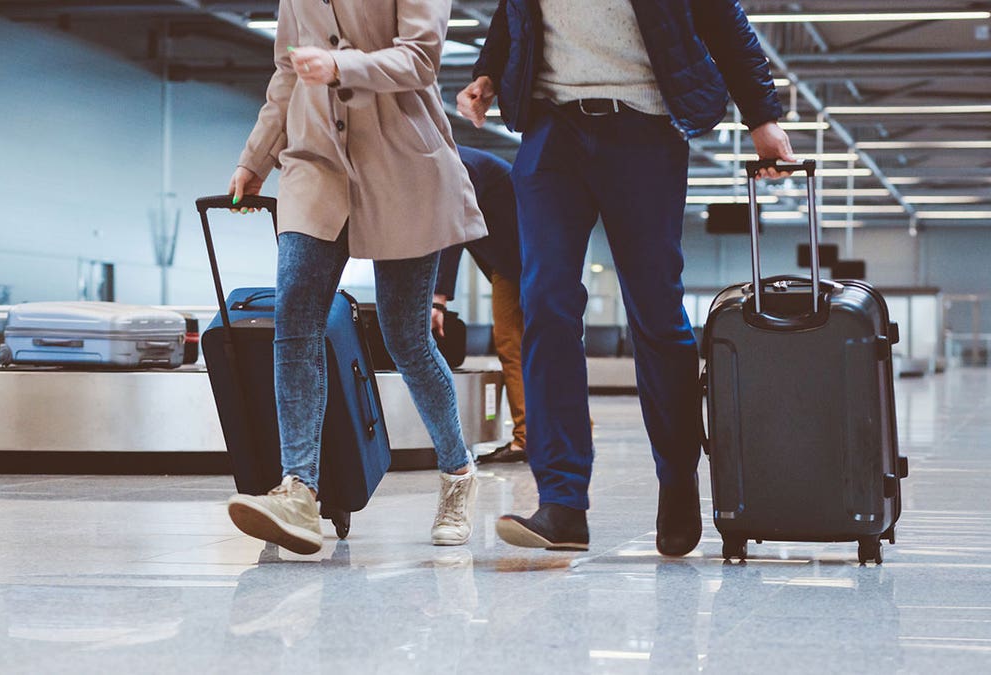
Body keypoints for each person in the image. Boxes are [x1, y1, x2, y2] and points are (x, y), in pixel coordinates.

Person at [457, 0, 796, 554]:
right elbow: (514, 11)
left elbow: (724, 22)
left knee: (656, 313)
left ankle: (677, 480)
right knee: (544, 302)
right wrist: (489, 74)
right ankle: (562, 501)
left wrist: (762, 118)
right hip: (551, 129)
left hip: (645, 126)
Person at [224, 0, 489, 555]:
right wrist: (256, 157)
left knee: (407, 340)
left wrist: (343, 67)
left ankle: (457, 473)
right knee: (294, 321)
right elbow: (285, 73)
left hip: (402, 167)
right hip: (314, 167)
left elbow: (420, 59)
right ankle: (298, 488)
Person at [432, 145, 527, 464]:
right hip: (522, 260)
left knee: (512, 344)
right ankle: (568, 427)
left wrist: (439, 298)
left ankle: (526, 438)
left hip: (520, 262)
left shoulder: (459, 165)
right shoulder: (460, 161)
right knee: (538, 344)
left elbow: (454, 229)